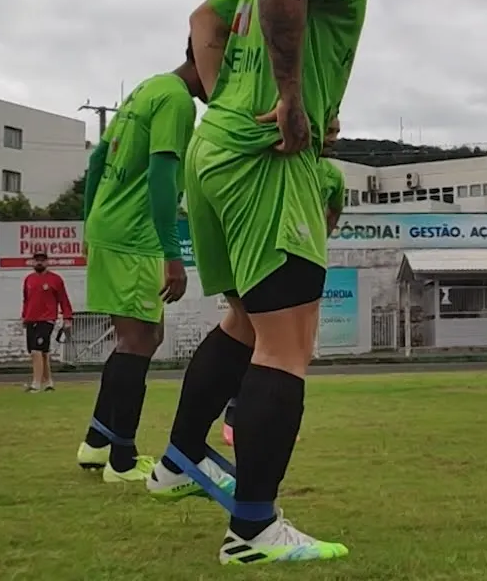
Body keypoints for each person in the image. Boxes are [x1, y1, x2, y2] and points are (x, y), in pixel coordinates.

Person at [148, 0, 448, 565]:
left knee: (245, 321)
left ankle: (176, 462)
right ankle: (253, 530)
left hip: (219, 152)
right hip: (263, 165)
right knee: (286, 346)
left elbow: (205, 19)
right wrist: (285, 98)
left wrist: (240, 102)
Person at [76, 43, 201, 483]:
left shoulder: (146, 89)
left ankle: (96, 444)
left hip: (111, 228)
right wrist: (173, 252)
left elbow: (96, 159)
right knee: (139, 339)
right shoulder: (177, 100)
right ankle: (122, 461)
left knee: (142, 336)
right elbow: (163, 174)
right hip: (136, 235)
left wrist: (88, 224)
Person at [221, 116, 346, 447]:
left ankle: (276, 420)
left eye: (337, 131)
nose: (333, 137)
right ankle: (237, 412)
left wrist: (318, 238)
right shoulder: (283, 158)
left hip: (306, 256)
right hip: (268, 253)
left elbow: (333, 213)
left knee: (296, 351)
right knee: (263, 343)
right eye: (329, 130)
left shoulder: (332, 175)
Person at [20, 251, 73, 392]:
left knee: (37, 350)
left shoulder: (55, 279)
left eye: (42, 260)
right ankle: (49, 382)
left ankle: (36, 384)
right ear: (32, 262)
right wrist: (24, 316)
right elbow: (26, 300)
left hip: (47, 319)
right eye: (37, 260)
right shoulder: (28, 280)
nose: (39, 262)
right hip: (31, 319)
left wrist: (67, 318)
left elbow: (64, 299)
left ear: (47, 262)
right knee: (41, 352)